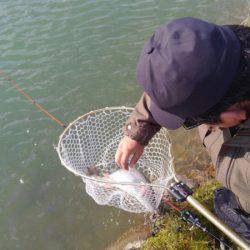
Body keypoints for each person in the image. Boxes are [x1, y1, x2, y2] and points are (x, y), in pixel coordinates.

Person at [115, 17, 250, 242]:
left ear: (235, 112)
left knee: (229, 212)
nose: (194, 123)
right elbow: (177, 78)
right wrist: (139, 128)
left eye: (191, 121)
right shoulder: (226, 52)